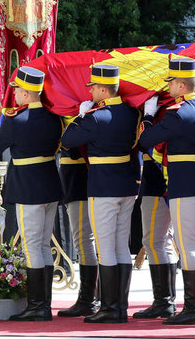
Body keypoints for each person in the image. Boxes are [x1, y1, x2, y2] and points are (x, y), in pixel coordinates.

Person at [139, 58, 195, 326]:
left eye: (171, 82)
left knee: (188, 248)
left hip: (185, 185)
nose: (169, 87)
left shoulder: (177, 113)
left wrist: (148, 117)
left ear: (181, 85)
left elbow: (145, 141)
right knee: (192, 246)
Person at [61, 64, 140, 324]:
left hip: (103, 187)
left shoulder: (96, 117)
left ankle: (109, 308)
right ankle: (119, 307)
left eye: (94, 87)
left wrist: (81, 116)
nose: (91, 91)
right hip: (127, 186)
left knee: (106, 248)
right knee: (120, 247)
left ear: (104, 89)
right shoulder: (130, 113)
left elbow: (69, 140)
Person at [0, 66, 63, 321]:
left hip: (28, 187)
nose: (15, 94)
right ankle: (45, 304)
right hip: (50, 184)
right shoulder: (54, 118)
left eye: (18, 90)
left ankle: (37, 306)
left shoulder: (15, 120)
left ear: (28, 93)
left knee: (32, 246)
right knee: (43, 244)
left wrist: (3, 123)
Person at [133, 113, 178, 320]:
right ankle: (167, 300)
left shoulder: (161, 112)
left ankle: (164, 302)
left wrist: (148, 116)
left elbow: (144, 141)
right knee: (164, 242)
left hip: (156, 181)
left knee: (153, 241)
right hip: (169, 179)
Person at [57, 148, 100, 318]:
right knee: (88, 242)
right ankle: (94, 298)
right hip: (77, 177)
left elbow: (74, 149)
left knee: (83, 241)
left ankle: (87, 300)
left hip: (78, 178)